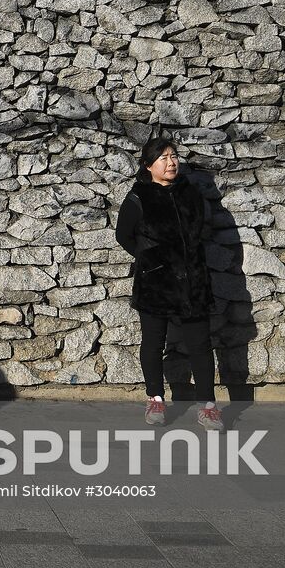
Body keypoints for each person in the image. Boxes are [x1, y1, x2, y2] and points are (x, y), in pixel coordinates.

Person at [114, 136, 223, 431]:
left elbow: (201, 227)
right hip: (156, 282)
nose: (171, 162)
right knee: (153, 341)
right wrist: (151, 259)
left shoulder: (190, 192)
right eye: (163, 158)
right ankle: (156, 399)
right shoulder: (139, 196)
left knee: (200, 344)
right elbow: (124, 235)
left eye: (173, 156)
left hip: (193, 280)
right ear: (148, 166)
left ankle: (208, 406)